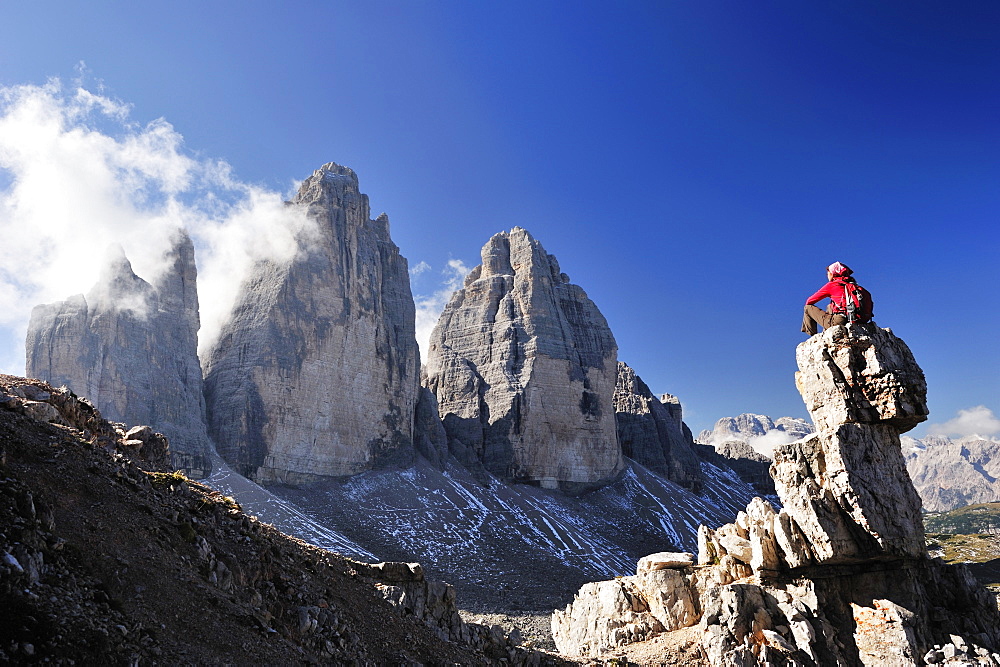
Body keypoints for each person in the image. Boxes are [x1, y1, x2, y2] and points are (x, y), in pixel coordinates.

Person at [801, 262, 868, 335]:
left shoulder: (832, 285)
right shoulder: (856, 288)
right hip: (856, 320)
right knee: (829, 306)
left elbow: (809, 301)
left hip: (839, 321)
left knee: (807, 308)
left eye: (828, 273)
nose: (827, 275)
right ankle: (826, 332)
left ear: (833, 274)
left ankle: (813, 336)